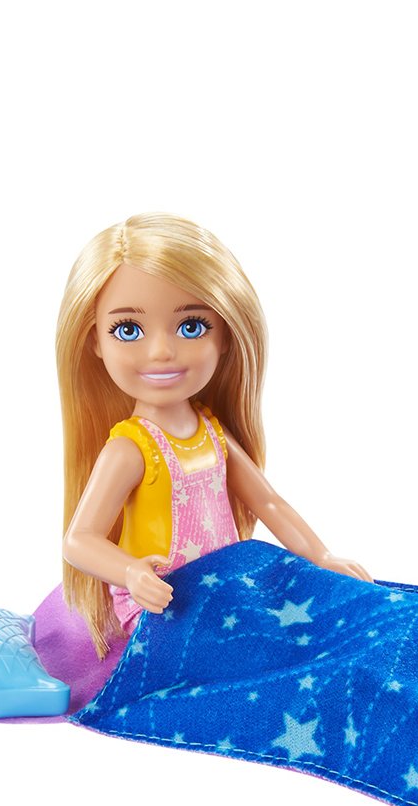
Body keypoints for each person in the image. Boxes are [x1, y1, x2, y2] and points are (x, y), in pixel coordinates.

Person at [56, 213, 370, 656]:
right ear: (95, 342)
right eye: (128, 330)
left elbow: (268, 502)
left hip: (220, 588)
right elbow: (79, 540)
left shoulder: (212, 434)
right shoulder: (131, 449)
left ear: (224, 334)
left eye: (191, 326)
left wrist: (321, 556)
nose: (161, 351)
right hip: (165, 602)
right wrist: (131, 572)